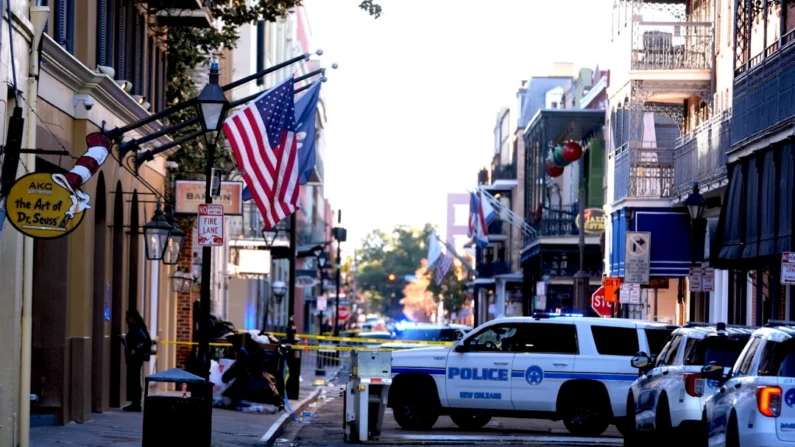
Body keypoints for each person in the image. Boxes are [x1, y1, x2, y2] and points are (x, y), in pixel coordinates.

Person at [121, 309, 151, 412]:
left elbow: (144, 340)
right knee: (134, 379)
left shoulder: (137, 328)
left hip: (135, 359)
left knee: (135, 380)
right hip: (133, 358)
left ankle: (136, 404)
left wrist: (135, 350)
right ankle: (135, 403)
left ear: (132, 318)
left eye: (128, 317)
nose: (127, 319)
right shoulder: (133, 327)